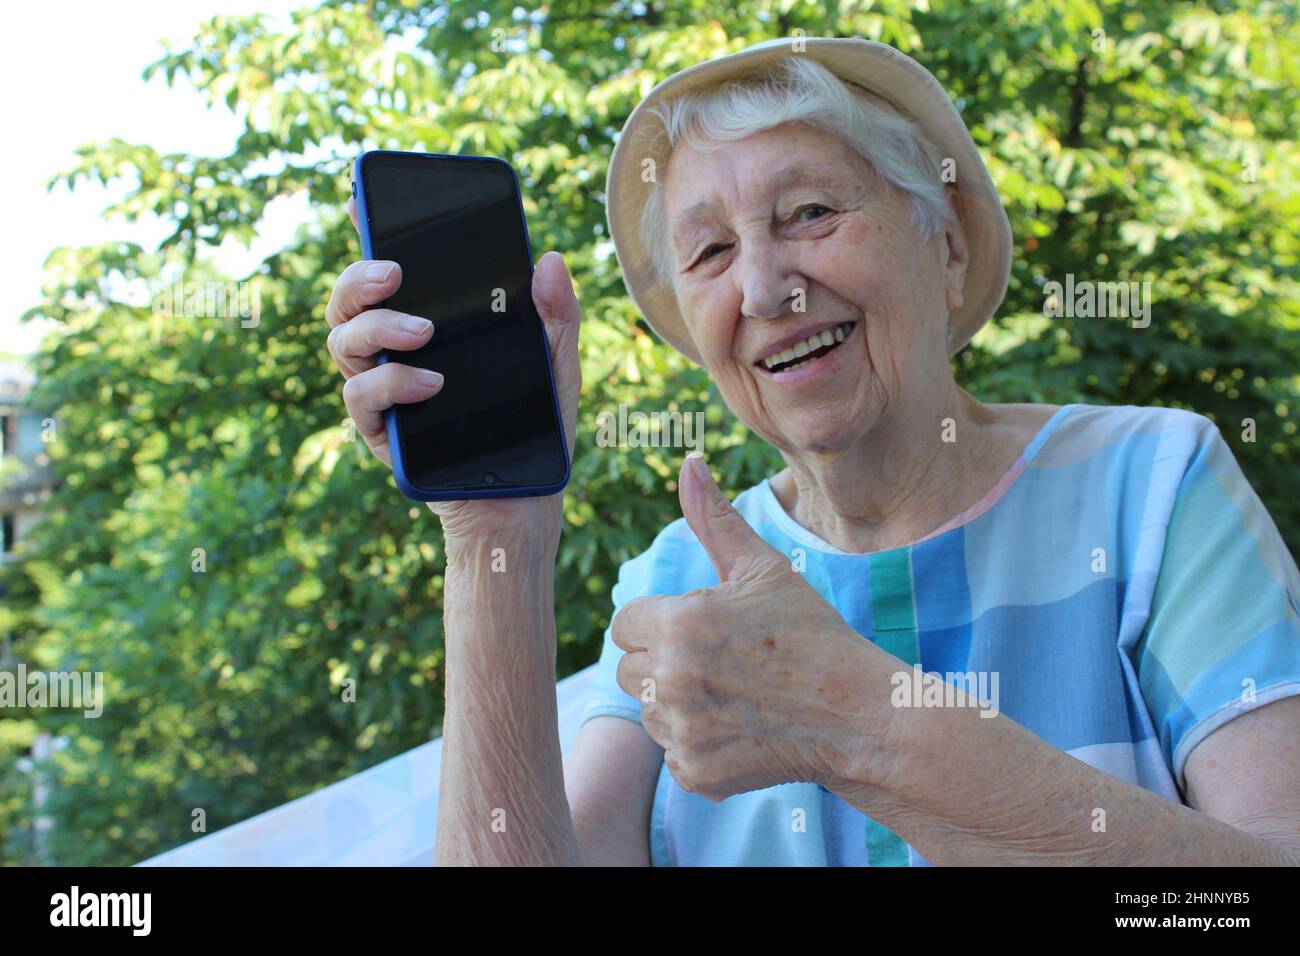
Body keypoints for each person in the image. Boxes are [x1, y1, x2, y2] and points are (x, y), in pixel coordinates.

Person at [323, 37, 1300, 865]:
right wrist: (498, 534)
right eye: (707, 252)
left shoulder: (1152, 482)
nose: (762, 285)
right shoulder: (676, 580)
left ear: (945, 241)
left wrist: (852, 719)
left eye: (809, 213)